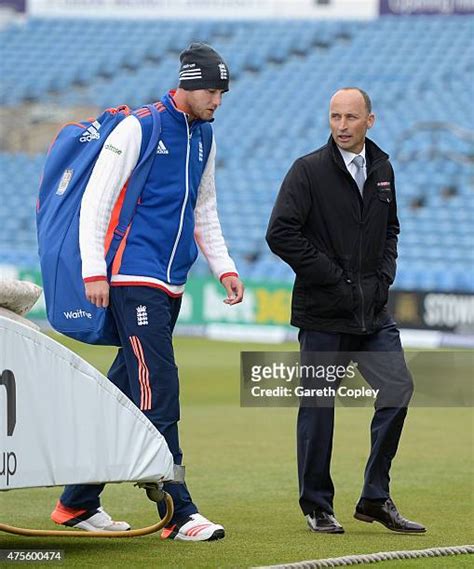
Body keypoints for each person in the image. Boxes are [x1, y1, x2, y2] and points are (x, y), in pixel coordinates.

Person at [50, 43, 244, 542]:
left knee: (122, 394)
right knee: (159, 384)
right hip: (132, 278)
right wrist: (95, 270)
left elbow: (204, 208)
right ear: (187, 84)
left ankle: (76, 503)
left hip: (171, 280)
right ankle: (178, 510)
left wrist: (223, 267)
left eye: (222, 93)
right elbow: (97, 200)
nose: (218, 101)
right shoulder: (140, 126)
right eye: (212, 91)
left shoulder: (206, 136)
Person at [266, 88, 425, 535]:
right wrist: (334, 278)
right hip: (323, 313)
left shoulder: (383, 169)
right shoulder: (308, 170)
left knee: (398, 390)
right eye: (335, 116)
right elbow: (280, 233)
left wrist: (383, 275)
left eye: (350, 117)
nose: (341, 125)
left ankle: (375, 497)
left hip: (373, 314)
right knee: (318, 408)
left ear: (369, 121)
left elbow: (390, 228)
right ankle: (317, 505)